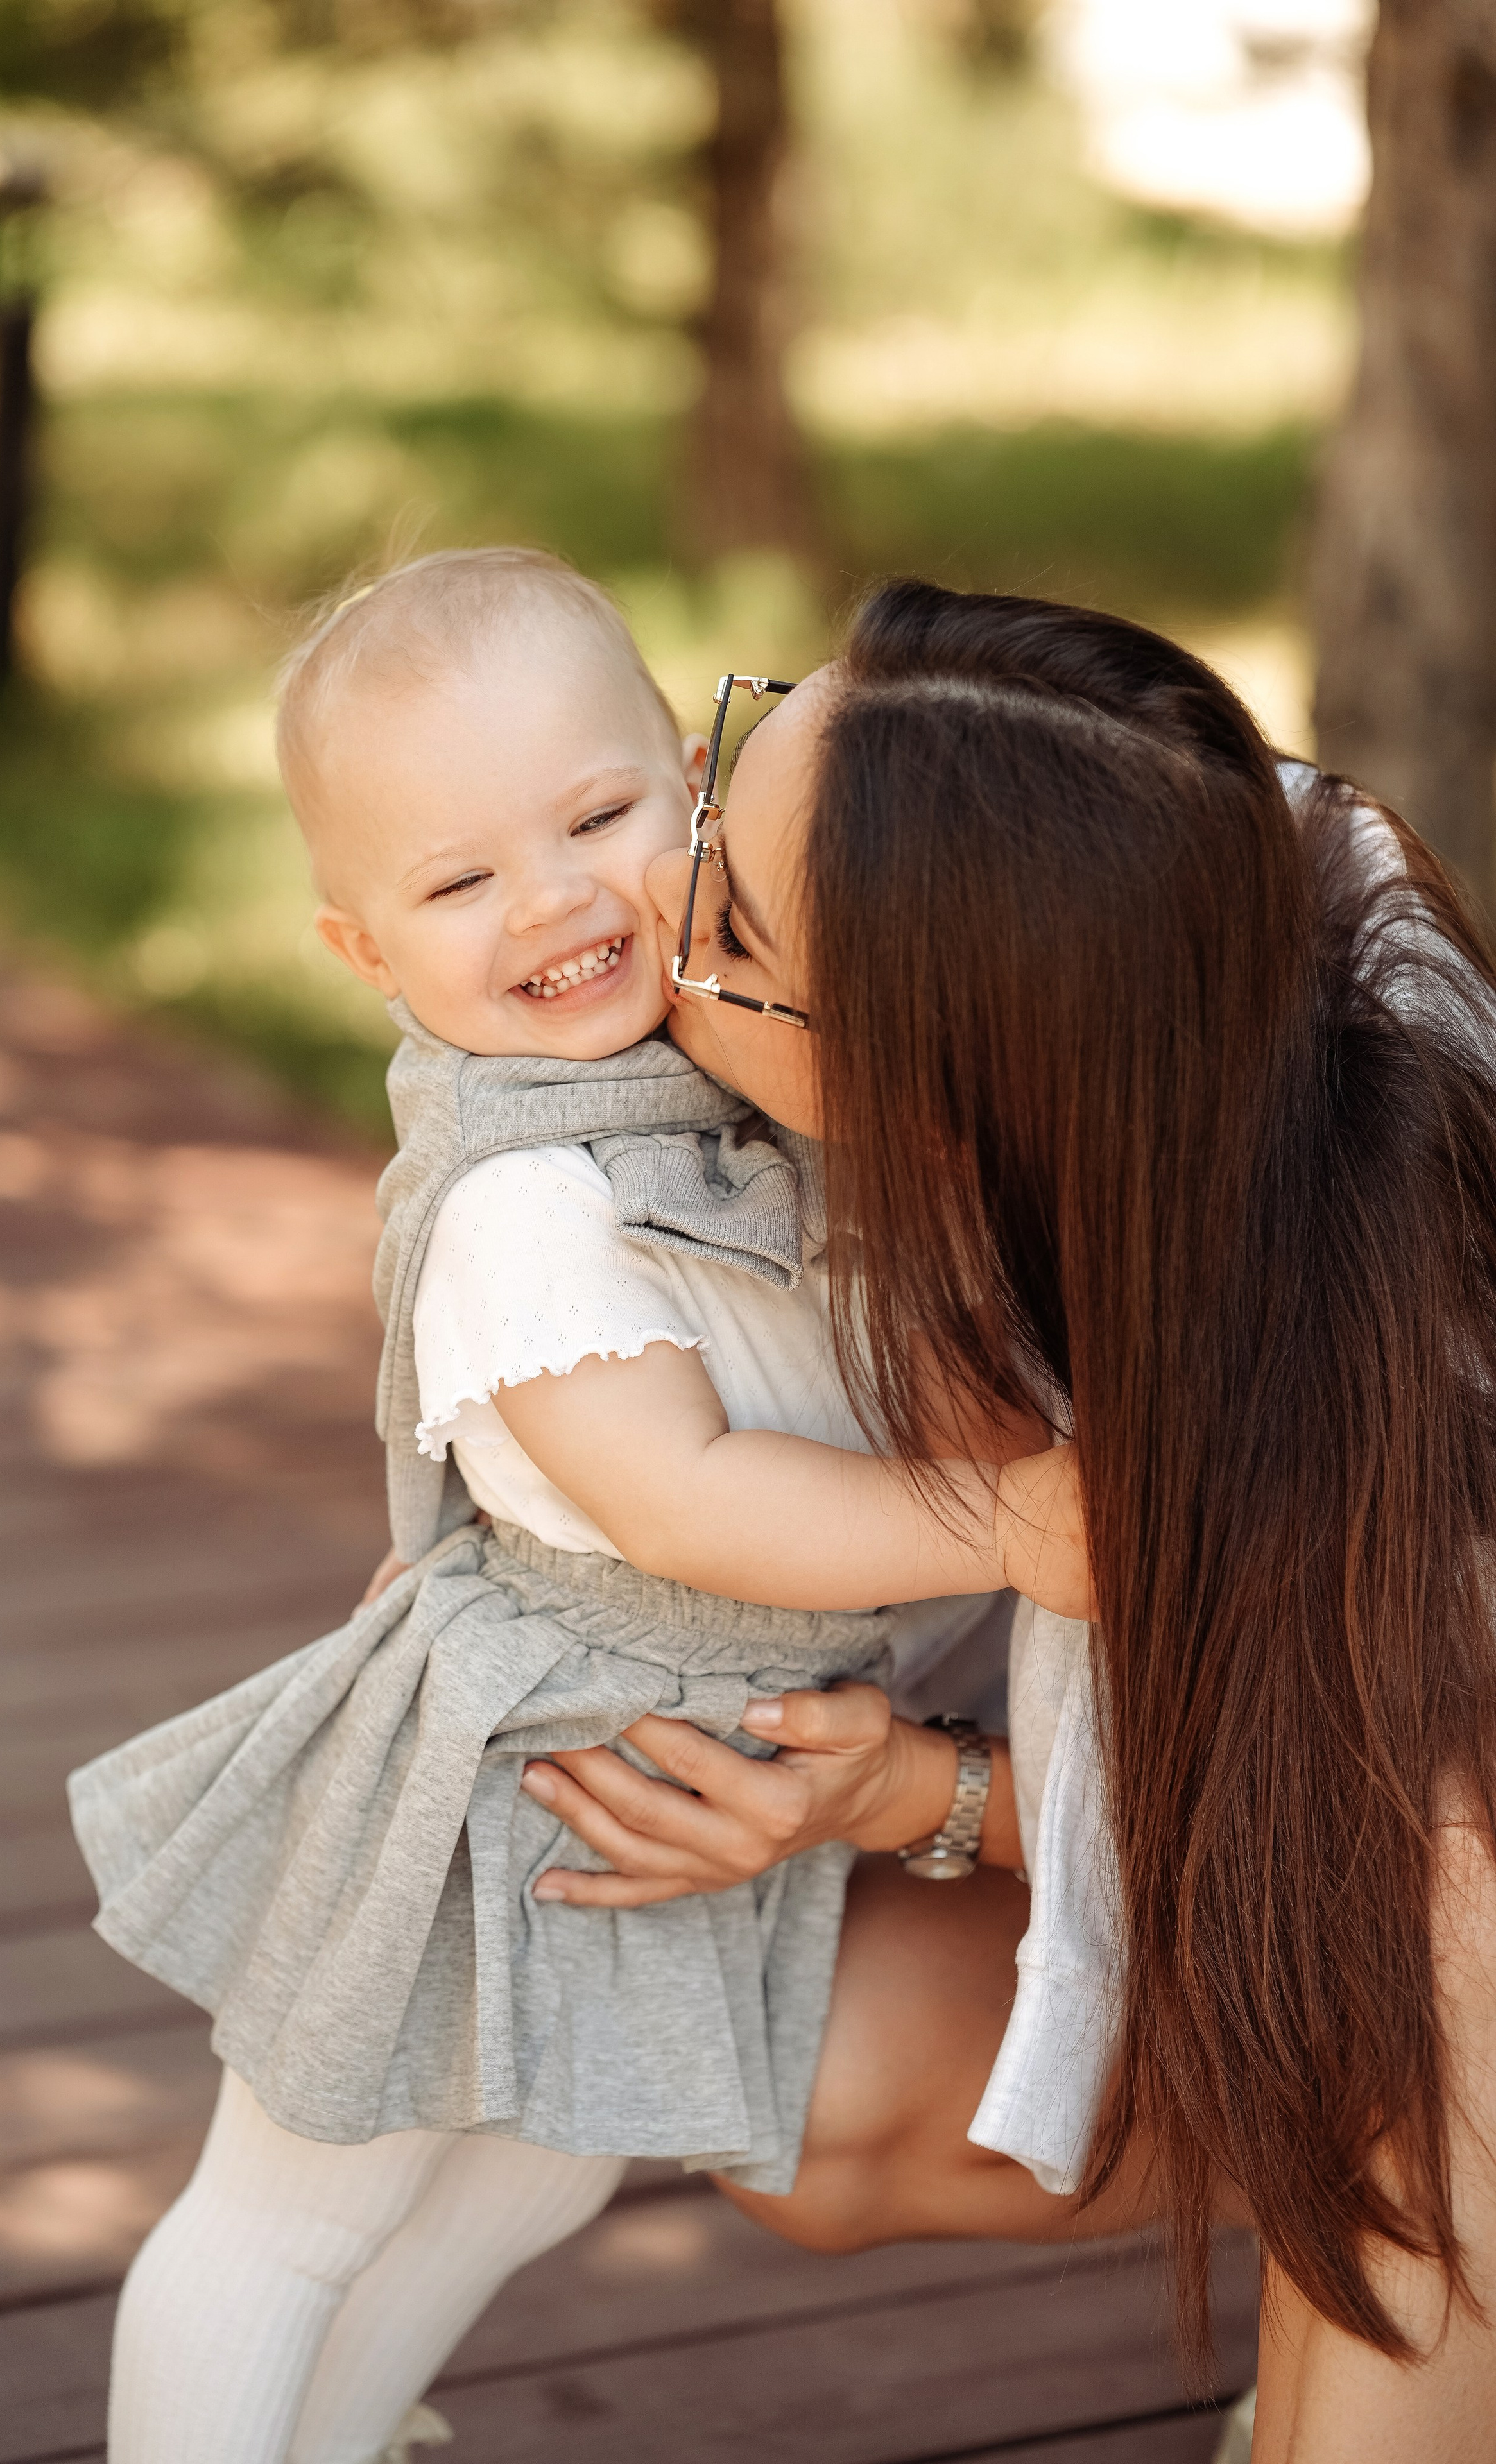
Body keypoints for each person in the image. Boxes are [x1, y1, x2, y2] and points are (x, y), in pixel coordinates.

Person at [67, 549, 1087, 2464]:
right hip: (504, 1762)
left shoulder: (714, 1085)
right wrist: (1012, 1525)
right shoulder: (526, 1204)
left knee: (531, 2174)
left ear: (699, 810)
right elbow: (689, 1496)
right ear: (367, 956)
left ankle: (337, 2438)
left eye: (599, 817)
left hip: (642, 1767)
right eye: (457, 883)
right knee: (301, 2212)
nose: (549, 899)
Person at [527, 579, 1496, 2461]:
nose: (659, 888)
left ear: (947, 1094)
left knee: (1426, 2058)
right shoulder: (1140, 931)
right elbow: (1217, 1796)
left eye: (727, 923)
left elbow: (1351, 1904)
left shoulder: (1344, 1371)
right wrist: (913, 1791)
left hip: (1461, 1941)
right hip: (1349, 1886)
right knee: (811, 2081)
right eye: (732, 767)